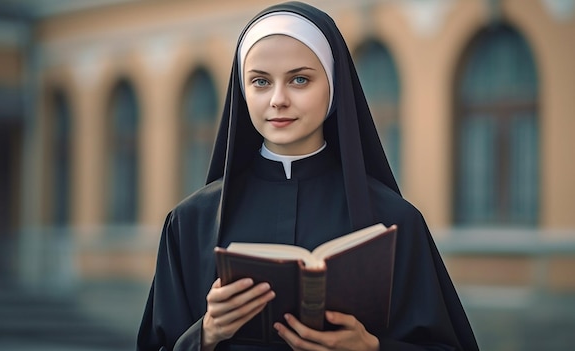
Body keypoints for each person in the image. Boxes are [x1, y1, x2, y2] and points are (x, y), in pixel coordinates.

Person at [137, 1, 479, 350]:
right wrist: (206, 334)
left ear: (333, 86)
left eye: (299, 79)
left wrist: (372, 348)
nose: (278, 99)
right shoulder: (190, 222)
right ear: (242, 90)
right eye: (260, 81)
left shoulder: (395, 221)